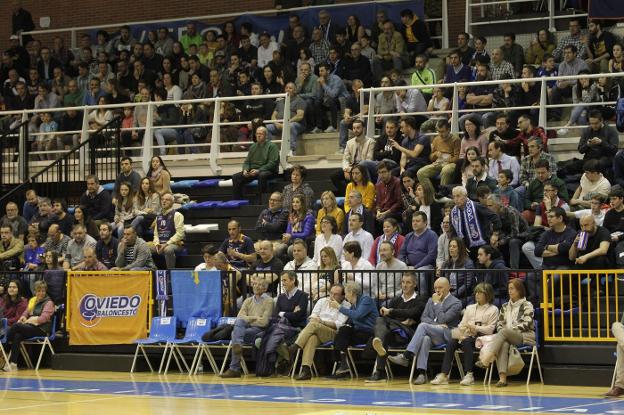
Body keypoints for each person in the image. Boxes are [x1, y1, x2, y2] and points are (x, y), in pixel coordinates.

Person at [388, 277, 462, 384]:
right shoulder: (430, 300)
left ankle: (406, 356)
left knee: (423, 326)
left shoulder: (456, 303)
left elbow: (443, 319)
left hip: (447, 335)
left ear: (448, 288)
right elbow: (424, 317)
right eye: (435, 288)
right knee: (425, 338)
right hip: (431, 332)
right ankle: (422, 374)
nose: (437, 290)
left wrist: (437, 304)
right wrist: (436, 324)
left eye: (440, 287)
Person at [430, 282, 499, 386]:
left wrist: (474, 327)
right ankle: (444, 375)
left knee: (466, 342)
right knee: (452, 342)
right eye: (476, 292)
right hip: (467, 335)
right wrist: (461, 333)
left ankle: (469, 374)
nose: (477, 295)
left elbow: (490, 329)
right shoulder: (470, 308)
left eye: (480, 293)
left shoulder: (493, 309)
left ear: (488, 294)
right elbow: (462, 325)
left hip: (483, 338)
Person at [367, 273, 428, 382]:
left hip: (408, 335)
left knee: (383, 325)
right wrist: (400, 319)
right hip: (393, 333)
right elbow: (387, 315)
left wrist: (392, 312)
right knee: (381, 322)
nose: (404, 285)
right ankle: (379, 371)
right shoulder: (396, 300)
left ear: (414, 284)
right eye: (403, 282)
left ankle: (379, 371)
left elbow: (413, 312)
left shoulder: (421, 300)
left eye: (408, 282)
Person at [478, 279, 535, 387]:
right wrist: (505, 330)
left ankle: (487, 357)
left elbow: (527, 323)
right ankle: (502, 379)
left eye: (512, 288)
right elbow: (499, 324)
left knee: (504, 332)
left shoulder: (527, 304)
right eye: (508, 288)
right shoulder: (504, 306)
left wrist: (509, 329)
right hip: (506, 336)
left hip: (524, 335)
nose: (509, 291)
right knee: (503, 343)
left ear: (519, 290)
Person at [288, 283, 350, 380]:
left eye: (336, 294)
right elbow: (313, 316)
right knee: (312, 338)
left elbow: (339, 324)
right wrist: (317, 321)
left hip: (333, 333)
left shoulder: (346, 306)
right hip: (316, 330)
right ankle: (306, 369)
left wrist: (321, 322)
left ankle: (295, 346)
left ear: (342, 296)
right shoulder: (322, 301)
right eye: (331, 293)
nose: (332, 296)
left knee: (314, 325)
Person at [255, 271, 308, 377]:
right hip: (279, 327)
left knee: (274, 339)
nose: (282, 283)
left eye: (285, 280)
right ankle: (284, 360)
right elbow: (275, 316)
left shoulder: (302, 296)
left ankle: (281, 363)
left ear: (293, 280)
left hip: (296, 328)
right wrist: (290, 313)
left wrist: (283, 313)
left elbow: (298, 316)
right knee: (258, 340)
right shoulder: (281, 297)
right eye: (282, 280)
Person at [219, 279, 274, 378]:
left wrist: (248, 319)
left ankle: (234, 368)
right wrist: (254, 318)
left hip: (260, 331)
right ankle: (237, 347)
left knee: (235, 333)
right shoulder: (248, 300)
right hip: (246, 329)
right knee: (239, 323)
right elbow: (240, 317)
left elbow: (264, 322)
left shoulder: (269, 301)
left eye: (260, 285)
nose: (257, 286)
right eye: (255, 284)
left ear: (265, 288)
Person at [327, 281, 378, 379]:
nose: (345, 296)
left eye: (346, 293)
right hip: (358, 332)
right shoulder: (353, 305)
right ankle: (342, 364)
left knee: (343, 333)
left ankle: (342, 365)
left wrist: (339, 307)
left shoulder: (366, 300)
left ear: (351, 293)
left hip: (369, 333)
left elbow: (357, 315)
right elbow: (351, 320)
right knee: (342, 332)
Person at [3, 280, 54, 372]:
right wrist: (23, 317)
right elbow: (26, 312)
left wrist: (30, 320)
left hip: (41, 329)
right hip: (31, 327)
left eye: (43, 291)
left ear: (45, 291)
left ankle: (4, 346)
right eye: (38, 291)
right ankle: (13, 364)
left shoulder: (49, 303)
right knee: (17, 335)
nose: (41, 293)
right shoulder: (33, 300)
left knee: (17, 326)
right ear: (35, 291)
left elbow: (43, 319)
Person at [450, 186, 502, 259]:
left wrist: (495, 234)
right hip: (465, 248)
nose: (456, 199)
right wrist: (459, 246)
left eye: (458, 196)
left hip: (482, 245)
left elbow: (494, 217)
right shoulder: (453, 212)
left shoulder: (476, 206)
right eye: (454, 196)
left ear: (465, 196)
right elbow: (453, 231)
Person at [232, 126, 279, 199]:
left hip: (268, 171)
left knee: (262, 175)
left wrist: (259, 170)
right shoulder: (253, 147)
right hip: (253, 171)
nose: (258, 135)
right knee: (236, 177)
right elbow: (247, 162)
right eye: (257, 134)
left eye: (261, 134)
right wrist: (245, 170)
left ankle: (262, 199)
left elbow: (272, 163)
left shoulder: (272, 146)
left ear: (266, 135)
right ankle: (238, 199)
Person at [331, 120, 374, 196]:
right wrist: (346, 169)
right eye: (354, 128)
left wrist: (352, 170)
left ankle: (358, 195)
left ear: (363, 129)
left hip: (363, 169)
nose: (355, 130)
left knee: (355, 174)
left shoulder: (370, 142)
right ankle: (348, 194)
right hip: (351, 167)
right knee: (334, 176)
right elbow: (345, 158)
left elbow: (369, 160)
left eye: (358, 128)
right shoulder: (349, 142)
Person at [486, 194, 528, 270]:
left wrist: (501, 241)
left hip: (522, 235)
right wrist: (494, 238)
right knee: (490, 241)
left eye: (490, 205)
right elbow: (494, 230)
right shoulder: (492, 215)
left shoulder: (511, 212)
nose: (488, 208)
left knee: (513, 242)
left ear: (498, 205)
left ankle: (514, 270)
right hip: (507, 235)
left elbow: (515, 233)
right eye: (487, 206)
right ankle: (497, 268)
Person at [417, 119, 460, 190]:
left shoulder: (456, 139)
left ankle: (442, 193)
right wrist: (435, 154)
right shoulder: (436, 139)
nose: (440, 134)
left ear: (448, 130)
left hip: (450, 163)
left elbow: (457, 158)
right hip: (438, 162)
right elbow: (431, 158)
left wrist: (446, 161)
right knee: (420, 173)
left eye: (442, 132)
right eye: (438, 131)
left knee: (446, 170)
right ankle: (430, 194)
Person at [266, 82, 305, 156]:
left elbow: (300, 116)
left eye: (290, 88)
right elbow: (273, 116)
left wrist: (286, 123)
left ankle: (291, 150)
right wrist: (276, 123)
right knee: (266, 128)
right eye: (286, 88)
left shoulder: (300, 101)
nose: (288, 89)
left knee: (291, 126)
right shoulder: (280, 102)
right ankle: (270, 151)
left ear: (295, 90)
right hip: (280, 124)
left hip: (296, 125)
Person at [577, 110, 620, 175]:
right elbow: (580, 150)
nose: (593, 126)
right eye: (591, 123)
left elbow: (614, 150)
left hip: (605, 158)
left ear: (601, 120)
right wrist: (587, 145)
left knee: (595, 165)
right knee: (572, 166)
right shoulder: (587, 131)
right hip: (589, 158)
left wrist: (602, 143)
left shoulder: (611, 131)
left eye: (596, 123)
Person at [439, 237, 475, 307]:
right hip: (448, 294)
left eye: (454, 246)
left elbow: (467, 284)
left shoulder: (468, 263)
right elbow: (441, 281)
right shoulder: (446, 263)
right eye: (450, 246)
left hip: (463, 296)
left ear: (460, 249)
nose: (451, 248)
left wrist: (453, 295)